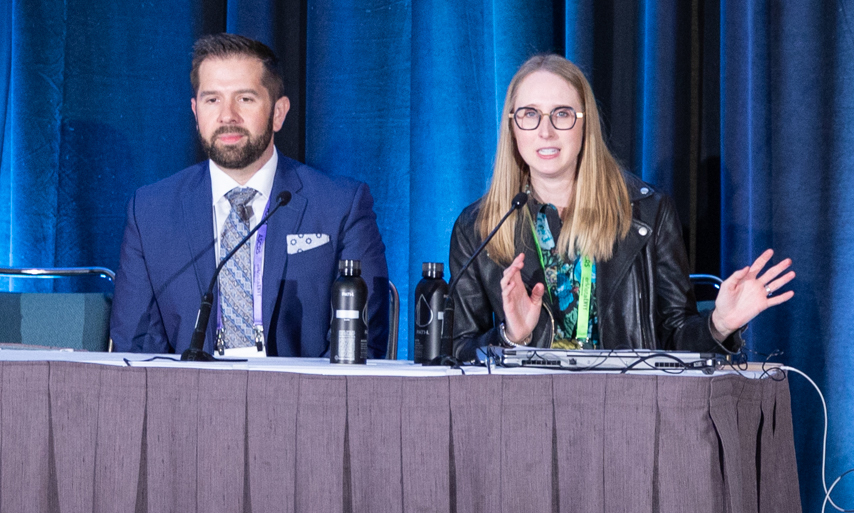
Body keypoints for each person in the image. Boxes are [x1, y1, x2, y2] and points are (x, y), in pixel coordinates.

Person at [449, 54, 794, 362]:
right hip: (526, 406)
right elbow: (456, 351)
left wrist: (718, 325)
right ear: (512, 126)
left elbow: (676, 339)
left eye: (562, 114)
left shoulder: (648, 212)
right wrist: (511, 337)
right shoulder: (478, 227)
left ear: (586, 124)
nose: (546, 131)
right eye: (530, 114)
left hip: (632, 405)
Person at [110, 33, 389, 357]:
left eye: (245, 99)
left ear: (278, 112)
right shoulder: (151, 212)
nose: (227, 115)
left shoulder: (340, 205)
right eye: (212, 100)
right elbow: (137, 346)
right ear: (195, 112)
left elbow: (360, 343)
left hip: (304, 388)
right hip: (187, 387)